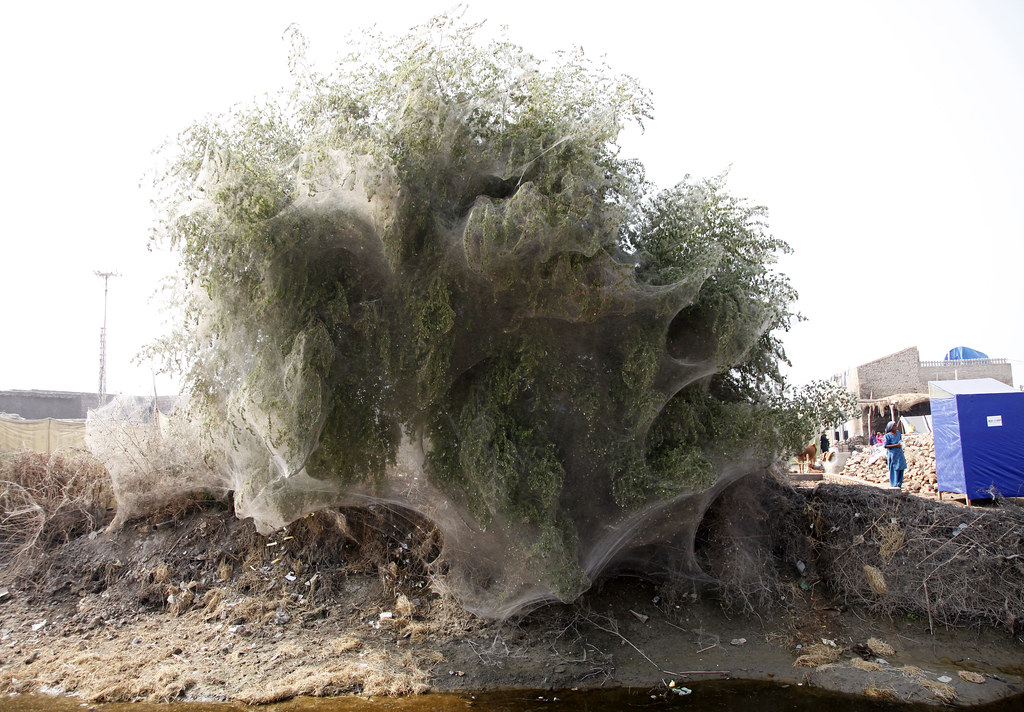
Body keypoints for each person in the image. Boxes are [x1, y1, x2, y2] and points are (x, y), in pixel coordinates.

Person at [883, 421, 906, 488]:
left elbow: (900, 440)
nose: (896, 427)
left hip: (899, 453)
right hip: (893, 454)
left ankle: (899, 483)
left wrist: (901, 444)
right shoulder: (888, 436)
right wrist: (895, 445)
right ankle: (894, 484)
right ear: (890, 427)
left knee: (901, 467)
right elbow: (885, 445)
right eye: (894, 425)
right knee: (894, 468)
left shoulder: (898, 433)